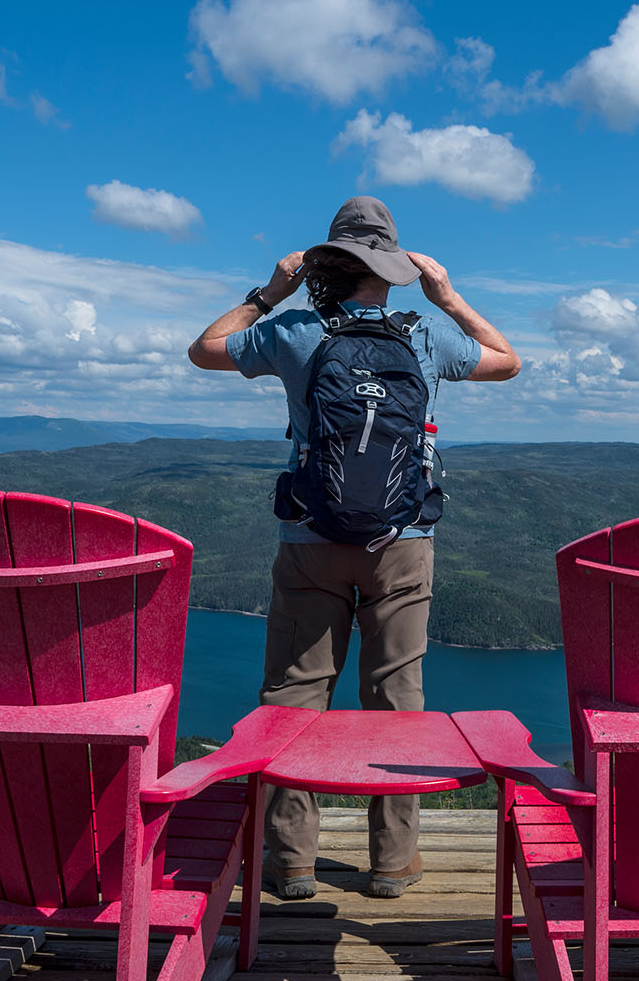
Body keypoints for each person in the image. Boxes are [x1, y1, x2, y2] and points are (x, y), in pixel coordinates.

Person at [187, 196, 521, 899]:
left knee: (293, 696)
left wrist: (266, 293)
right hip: (405, 539)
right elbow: (508, 361)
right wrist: (451, 297)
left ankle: (290, 861)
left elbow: (204, 351)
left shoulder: (295, 329)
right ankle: (393, 864)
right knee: (396, 697)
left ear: (328, 264)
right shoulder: (427, 335)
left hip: (310, 536)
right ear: (393, 272)